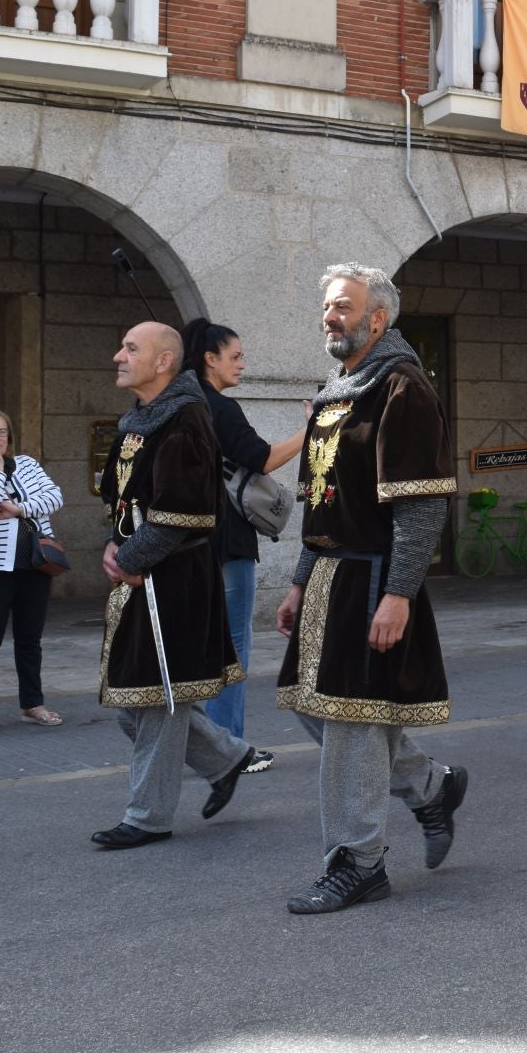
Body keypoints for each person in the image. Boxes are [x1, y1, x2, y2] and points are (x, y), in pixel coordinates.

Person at [274, 264, 467, 914]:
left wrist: (399, 594)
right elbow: (320, 499)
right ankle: (429, 786)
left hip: (373, 579)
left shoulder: (401, 387)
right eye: (326, 305)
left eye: (342, 307)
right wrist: (301, 581)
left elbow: (419, 508)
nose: (329, 315)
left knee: (351, 723)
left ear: (376, 319)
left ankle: (358, 860)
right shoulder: (338, 387)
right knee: (315, 709)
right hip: (330, 577)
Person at [92, 321, 259, 851]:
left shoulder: (187, 421)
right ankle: (226, 758)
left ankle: (147, 816)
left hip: (172, 581)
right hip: (140, 574)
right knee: (134, 702)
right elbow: (125, 498)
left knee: (157, 701)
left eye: (131, 348)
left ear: (164, 362)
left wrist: (132, 557)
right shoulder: (141, 418)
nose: (118, 355)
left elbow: (181, 513)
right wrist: (114, 543)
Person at [183, 317, 304, 761]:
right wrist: (309, 432)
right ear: (209, 359)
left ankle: (198, 743)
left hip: (184, 541)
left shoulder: (177, 404)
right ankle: (228, 749)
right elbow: (262, 458)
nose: (242, 364)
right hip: (227, 540)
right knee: (232, 644)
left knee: (197, 644)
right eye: (235, 357)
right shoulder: (219, 408)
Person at [0, 409, 65, 735]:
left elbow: (55, 497)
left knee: (30, 638)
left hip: (34, 565)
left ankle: (32, 703)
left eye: (2, 432)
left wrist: (19, 508)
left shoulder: (29, 464)